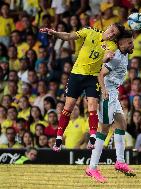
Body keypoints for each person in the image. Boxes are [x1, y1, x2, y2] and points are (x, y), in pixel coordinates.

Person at [40, 23, 125, 151]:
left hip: (92, 77)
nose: (111, 34)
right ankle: (58, 139)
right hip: (76, 75)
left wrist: (107, 58)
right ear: (108, 27)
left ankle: (92, 138)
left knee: (92, 105)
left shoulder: (112, 45)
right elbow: (69, 36)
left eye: (115, 34)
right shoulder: (90, 31)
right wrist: (55, 33)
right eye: (112, 30)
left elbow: (107, 56)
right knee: (68, 107)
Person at [86, 30, 135, 183]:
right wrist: (104, 91)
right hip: (107, 94)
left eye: (132, 42)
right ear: (121, 45)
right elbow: (100, 74)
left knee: (121, 123)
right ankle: (92, 167)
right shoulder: (116, 58)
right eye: (129, 43)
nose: (132, 45)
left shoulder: (124, 52)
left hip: (114, 93)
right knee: (104, 129)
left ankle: (120, 162)